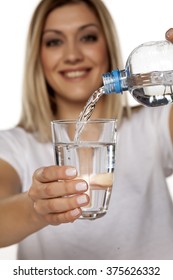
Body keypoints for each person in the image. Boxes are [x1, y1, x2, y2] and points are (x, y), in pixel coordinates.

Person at [0, 0, 173, 260]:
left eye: (88, 37)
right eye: (54, 42)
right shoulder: (14, 145)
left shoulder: (155, 122)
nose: (72, 55)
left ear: (108, 46)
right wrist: (36, 209)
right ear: (38, 55)